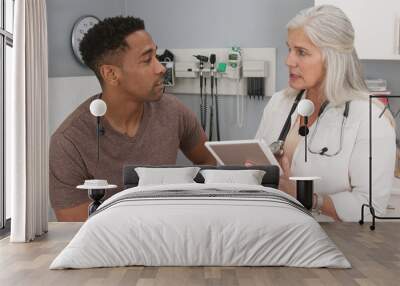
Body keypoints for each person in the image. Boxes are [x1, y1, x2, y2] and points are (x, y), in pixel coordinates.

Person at [49, 16, 216, 222]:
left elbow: (210, 162)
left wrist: (187, 203)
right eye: (147, 60)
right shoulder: (69, 142)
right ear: (111, 74)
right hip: (109, 249)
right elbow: (77, 229)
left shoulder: (174, 112)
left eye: (157, 55)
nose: (161, 68)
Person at [255, 5, 396, 222]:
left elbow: (370, 208)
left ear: (333, 58)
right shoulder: (279, 103)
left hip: (336, 244)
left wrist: (307, 197)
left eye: (301, 52)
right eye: (289, 49)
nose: (288, 61)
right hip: (276, 231)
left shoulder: (371, 118)